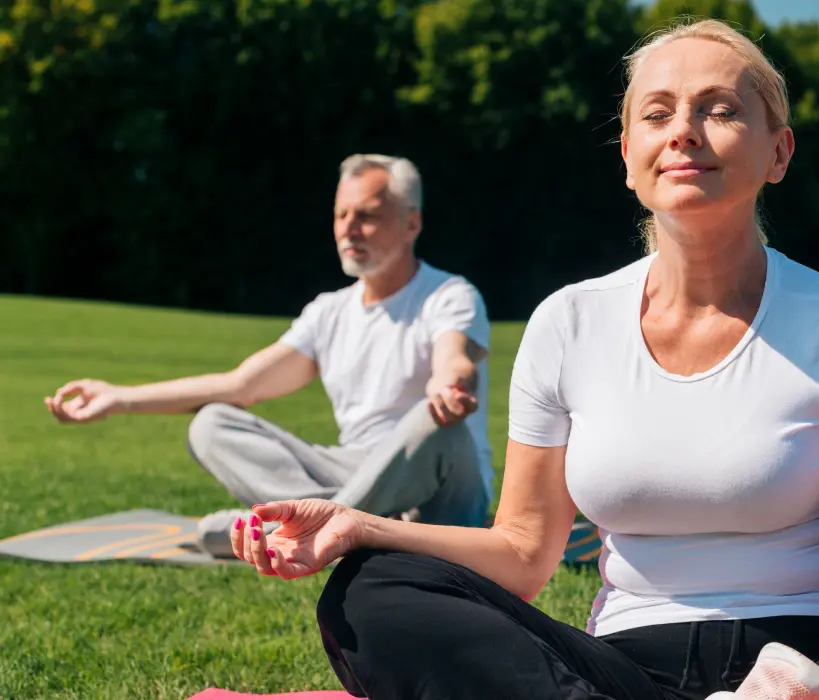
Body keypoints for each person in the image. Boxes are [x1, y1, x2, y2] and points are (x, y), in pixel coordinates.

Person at [228, 20, 819, 700]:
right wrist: (362, 528)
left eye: (720, 109)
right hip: (627, 662)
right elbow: (522, 551)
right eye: (656, 114)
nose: (685, 131)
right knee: (378, 592)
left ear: (778, 151)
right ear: (627, 157)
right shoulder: (569, 323)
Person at [44, 154, 494, 557]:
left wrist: (450, 385)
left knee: (436, 422)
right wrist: (118, 397)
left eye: (368, 216)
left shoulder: (448, 294)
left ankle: (309, 530)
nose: (349, 228)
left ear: (411, 224)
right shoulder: (328, 312)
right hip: (354, 468)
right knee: (213, 422)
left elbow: (453, 359)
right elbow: (241, 385)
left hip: (440, 488)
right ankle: (352, 527)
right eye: (341, 215)